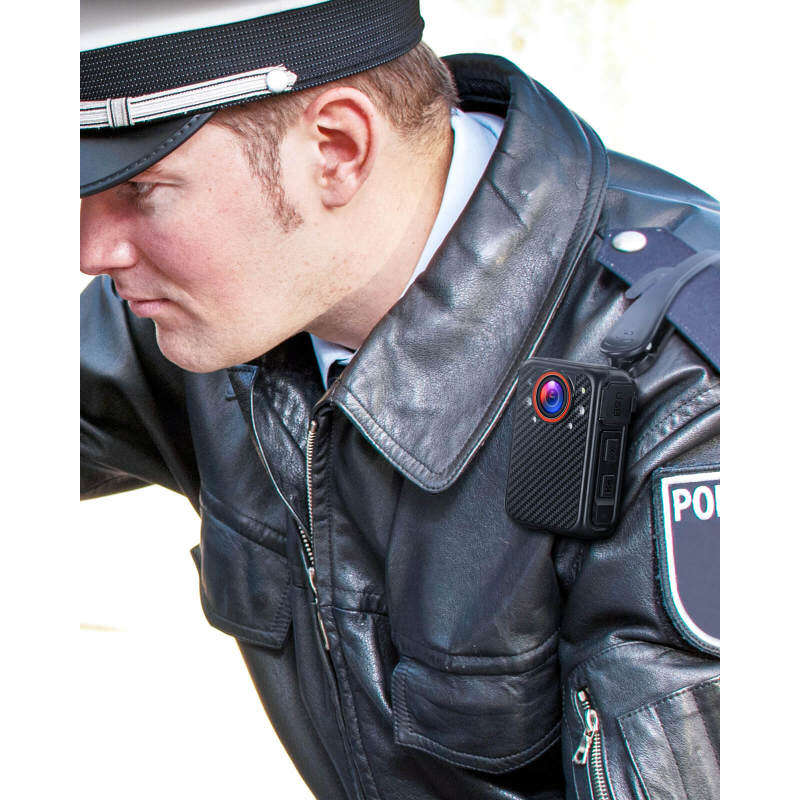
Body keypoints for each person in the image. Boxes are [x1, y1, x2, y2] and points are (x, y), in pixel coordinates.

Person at [80, 2, 720, 799]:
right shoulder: (223, 306)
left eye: (141, 190)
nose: (90, 249)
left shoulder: (693, 395)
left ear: (337, 149)